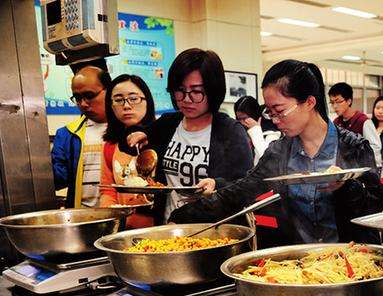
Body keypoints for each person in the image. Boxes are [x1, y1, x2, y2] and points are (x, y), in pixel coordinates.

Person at [169, 59, 383, 245]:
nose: (275, 120)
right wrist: (181, 217)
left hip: (351, 264)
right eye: (270, 113)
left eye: (280, 111)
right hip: (298, 268)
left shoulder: (354, 147)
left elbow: (374, 209)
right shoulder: (280, 152)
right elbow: (240, 192)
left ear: (309, 102)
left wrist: (346, 186)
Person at [127, 48, 253, 223]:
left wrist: (217, 184)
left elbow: (244, 186)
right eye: (180, 90)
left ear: (213, 90)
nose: (186, 99)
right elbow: (134, 147)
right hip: (168, 228)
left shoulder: (230, 131)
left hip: (212, 230)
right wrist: (138, 136)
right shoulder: (168, 123)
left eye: (196, 91)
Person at [98, 74, 156, 228]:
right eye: (118, 100)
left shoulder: (162, 138)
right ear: (111, 106)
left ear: (147, 101)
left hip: (161, 227)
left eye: (134, 98)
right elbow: (107, 189)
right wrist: (111, 213)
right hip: (124, 229)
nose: (126, 105)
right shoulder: (110, 145)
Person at [51, 64, 112, 208]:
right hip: (82, 218)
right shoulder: (67, 135)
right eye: (77, 98)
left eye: (89, 96)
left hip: (123, 218)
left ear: (109, 91)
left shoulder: (129, 131)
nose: (83, 104)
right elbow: (58, 179)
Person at [328, 82, 382, 167]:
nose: (334, 106)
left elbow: (375, 148)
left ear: (349, 101)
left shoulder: (363, 121)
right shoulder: (336, 123)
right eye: (332, 102)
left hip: (362, 172)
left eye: (338, 102)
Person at [234, 95, 280, 163]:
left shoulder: (272, 134)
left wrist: (255, 132)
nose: (242, 123)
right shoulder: (239, 132)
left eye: (245, 118)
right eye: (239, 119)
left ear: (255, 116)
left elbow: (269, 160)